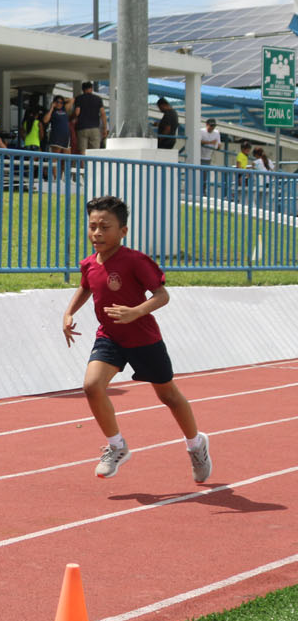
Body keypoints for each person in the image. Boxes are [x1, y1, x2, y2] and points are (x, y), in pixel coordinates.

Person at [61, 195, 211, 483]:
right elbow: (86, 288)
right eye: (92, 226)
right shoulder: (89, 264)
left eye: (105, 227)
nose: (97, 233)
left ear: (123, 231)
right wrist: (68, 314)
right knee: (92, 386)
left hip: (143, 338)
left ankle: (196, 444)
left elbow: (162, 295)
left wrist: (135, 312)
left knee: (168, 396)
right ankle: (117, 446)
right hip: (110, 337)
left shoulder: (135, 261)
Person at [72, 81, 106, 152]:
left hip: (82, 128)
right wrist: (104, 128)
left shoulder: (79, 98)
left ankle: (84, 163)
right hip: (95, 129)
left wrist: (72, 118)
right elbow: (103, 114)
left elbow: (77, 112)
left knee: (83, 151)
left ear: (83, 89)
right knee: (95, 152)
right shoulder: (98, 99)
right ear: (91, 88)